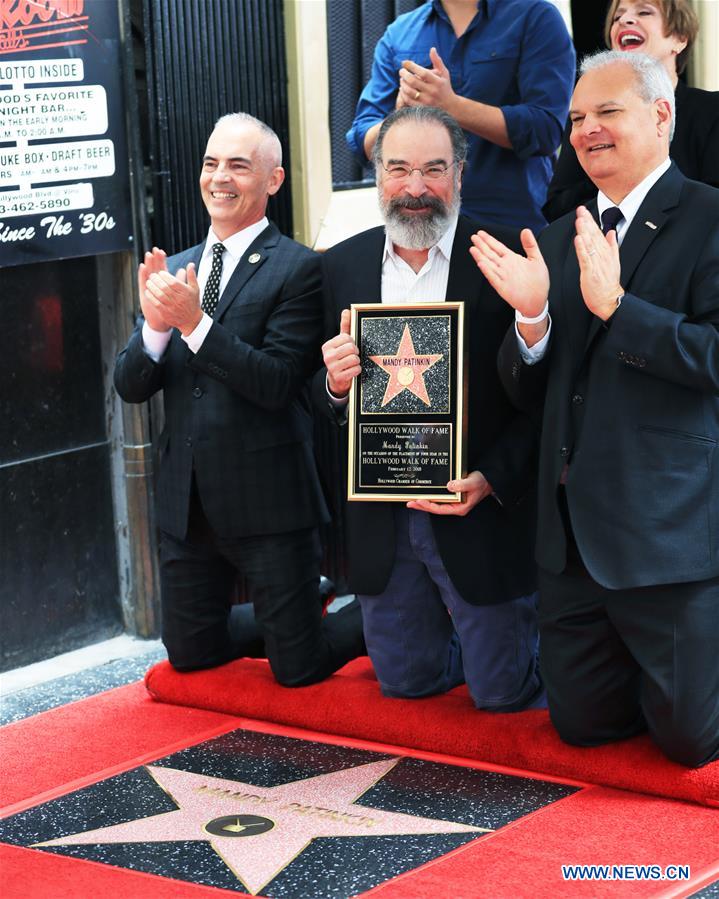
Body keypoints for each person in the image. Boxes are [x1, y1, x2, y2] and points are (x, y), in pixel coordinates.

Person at [471, 51, 719, 766]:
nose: (586, 130)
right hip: (570, 538)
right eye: (577, 118)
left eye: (607, 112)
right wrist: (529, 321)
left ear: (661, 116)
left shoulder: (708, 218)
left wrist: (618, 308)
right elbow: (531, 392)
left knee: (688, 740)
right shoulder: (554, 236)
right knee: (579, 726)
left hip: (665, 532)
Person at [114, 113, 365, 686]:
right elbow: (131, 387)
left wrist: (194, 323)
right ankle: (304, 601)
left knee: (297, 669)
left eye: (237, 165)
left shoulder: (299, 268)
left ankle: (378, 615)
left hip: (270, 504)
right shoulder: (178, 268)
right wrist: (155, 329)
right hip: (190, 504)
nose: (219, 178)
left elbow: (277, 382)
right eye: (210, 163)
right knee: (190, 655)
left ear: (273, 180)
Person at [315, 105, 542, 711]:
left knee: (503, 696)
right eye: (399, 169)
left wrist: (492, 479)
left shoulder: (503, 259)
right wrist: (335, 386)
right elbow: (313, 396)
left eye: (434, 169)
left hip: (477, 514)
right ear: (377, 176)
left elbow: (544, 398)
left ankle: (532, 644)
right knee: (405, 686)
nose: (415, 188)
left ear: (461, 175)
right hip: (380, 520)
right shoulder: (339, 266)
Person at [346, 0, 575, 234]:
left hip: (510, 227)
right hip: (422, 228)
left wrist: (452, 106)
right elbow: (362, 144)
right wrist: (401, 115)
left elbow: (546, 129)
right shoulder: (400, 33)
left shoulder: (536, 17)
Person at [544, 0, 719, 222]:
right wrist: (608, 165)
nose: (624, 20)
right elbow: (557, 208)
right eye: (617, 17)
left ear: (679, 39)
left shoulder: (711, 111)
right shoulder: (587, 118)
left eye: (644, 12)